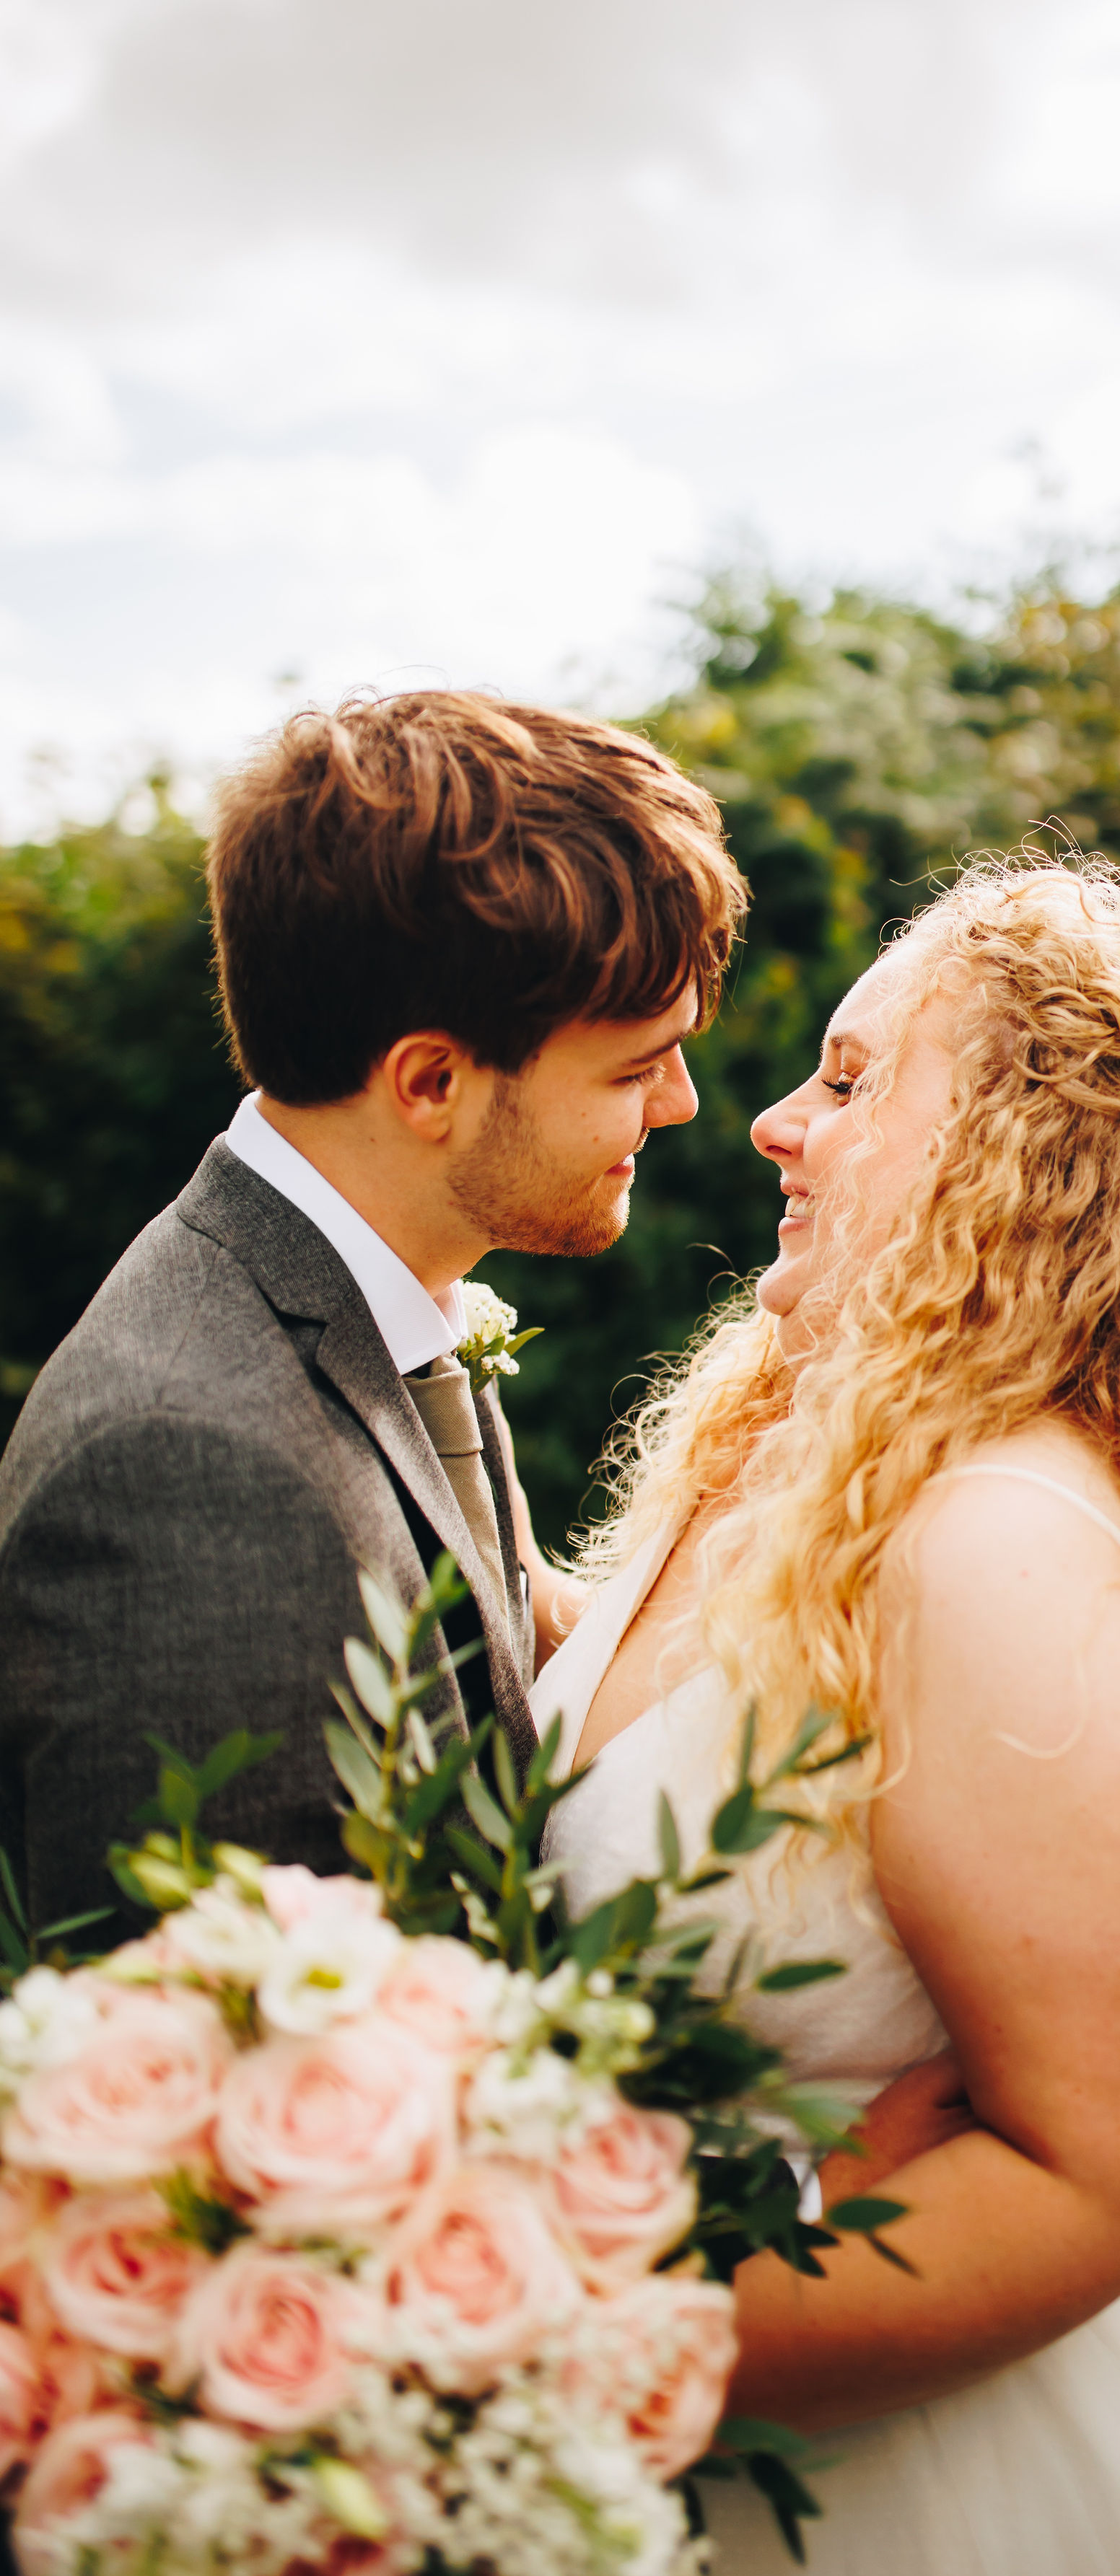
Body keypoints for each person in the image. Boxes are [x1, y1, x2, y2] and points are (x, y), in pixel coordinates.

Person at [533, 861, 1120, 2576]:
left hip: (911, 2481)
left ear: (1020, 1154)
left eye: (850, 1078)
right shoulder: (791, 1473)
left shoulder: (1000, 1545)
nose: (768, 1123)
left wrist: (580, 2360)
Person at [0, 690, 745, 1931]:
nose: (681, 1105)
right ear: (433, 1081)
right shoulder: (190, 1475)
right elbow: (247, 2075)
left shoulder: (379, 1306)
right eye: (633, 1066)